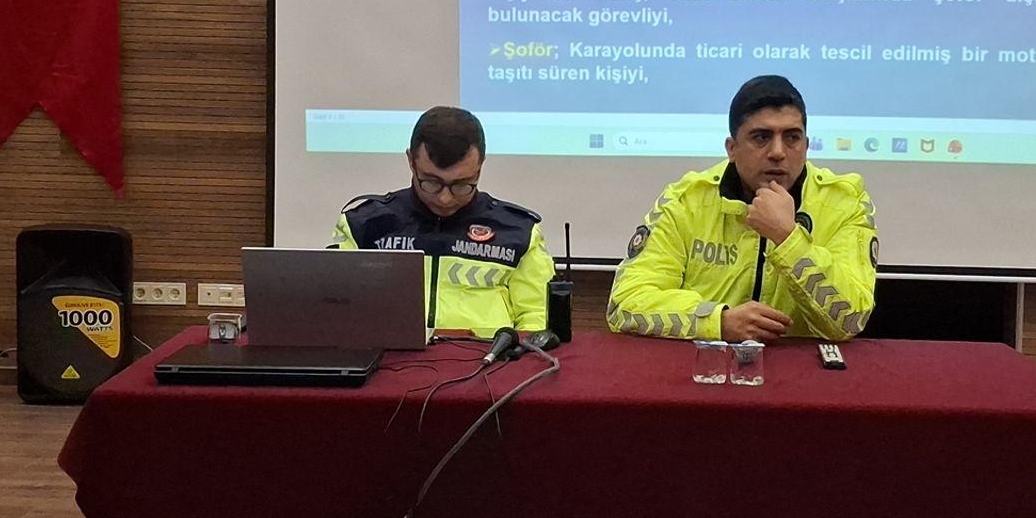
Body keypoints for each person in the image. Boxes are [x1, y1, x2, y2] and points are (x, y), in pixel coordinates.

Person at [607, 75, 877, 342]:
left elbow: (849, 320)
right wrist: (717, 322)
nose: (778, 152)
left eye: (792, 137)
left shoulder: (845, 201)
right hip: (707, 363)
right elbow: (625, 304)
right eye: (761, 137)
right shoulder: (686, 201)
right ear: (732, 148)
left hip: (803, 366)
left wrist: (788, 239)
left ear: (806, 146)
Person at [330, 106, 554, 337]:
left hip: (490, 356)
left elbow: (538, 319)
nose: (445, 198)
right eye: (431, 182)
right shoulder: (362, 226)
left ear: (480, 167)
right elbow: (336, 312)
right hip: (390, 356)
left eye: (461, 184)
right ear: (411, 161)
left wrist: (512, 354)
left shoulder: (519, 232)